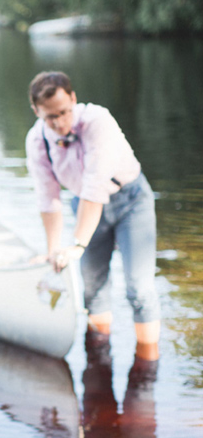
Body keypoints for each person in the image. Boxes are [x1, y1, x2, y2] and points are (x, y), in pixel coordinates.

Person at [25, 71, 160, 363]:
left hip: (129, 201)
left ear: (73, 99)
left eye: (63, 112)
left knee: (139, 288)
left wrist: (77, 244)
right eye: (50, 117)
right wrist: (53, 251)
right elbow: (48, 200)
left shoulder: (99, 122)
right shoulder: (37, 141)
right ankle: (99, 361)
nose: (59, 123)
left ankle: (147, 364)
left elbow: (95, 189)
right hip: (83, 204)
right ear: (37, 112)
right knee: (93, 289)